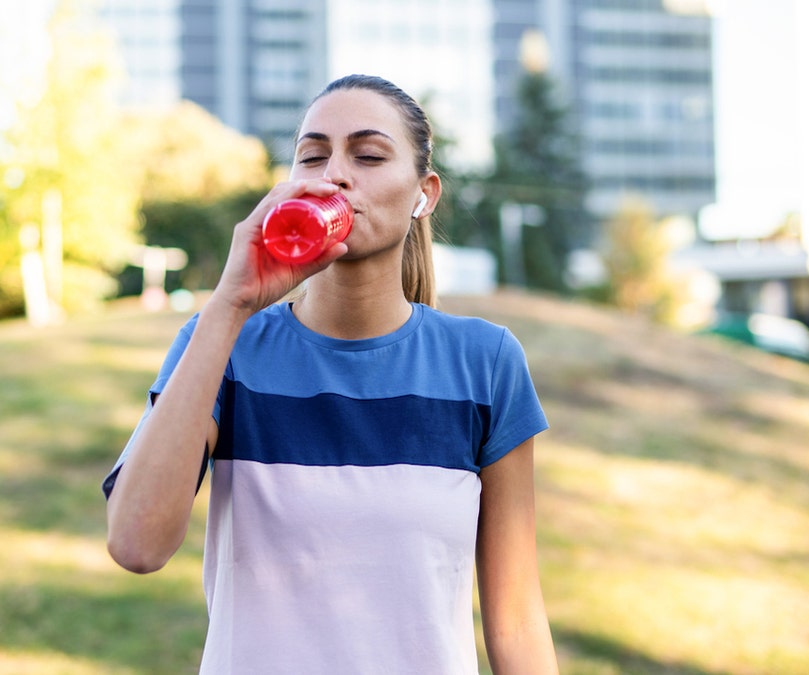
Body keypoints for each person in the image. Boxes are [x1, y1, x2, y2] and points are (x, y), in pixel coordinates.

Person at [102, 74, 558, 674]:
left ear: (425, 193)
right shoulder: (222, 347)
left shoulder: (486, 362)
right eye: (313, 156)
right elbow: (136, 544)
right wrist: (229, 307)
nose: (334, 174)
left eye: (367, 155)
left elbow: (517, 619)